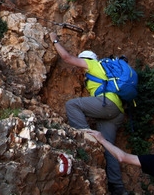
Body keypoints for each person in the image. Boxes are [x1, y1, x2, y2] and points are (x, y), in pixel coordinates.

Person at [48, 34, 128, 195]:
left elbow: (66, 57)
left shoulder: (92, 64)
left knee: (72, 105)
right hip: (117, 112)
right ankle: (118, 188)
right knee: (109, 149)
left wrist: (55, 40)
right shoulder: (103, 70)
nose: (80, 69)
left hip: (108, 105)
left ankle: (85, 139)